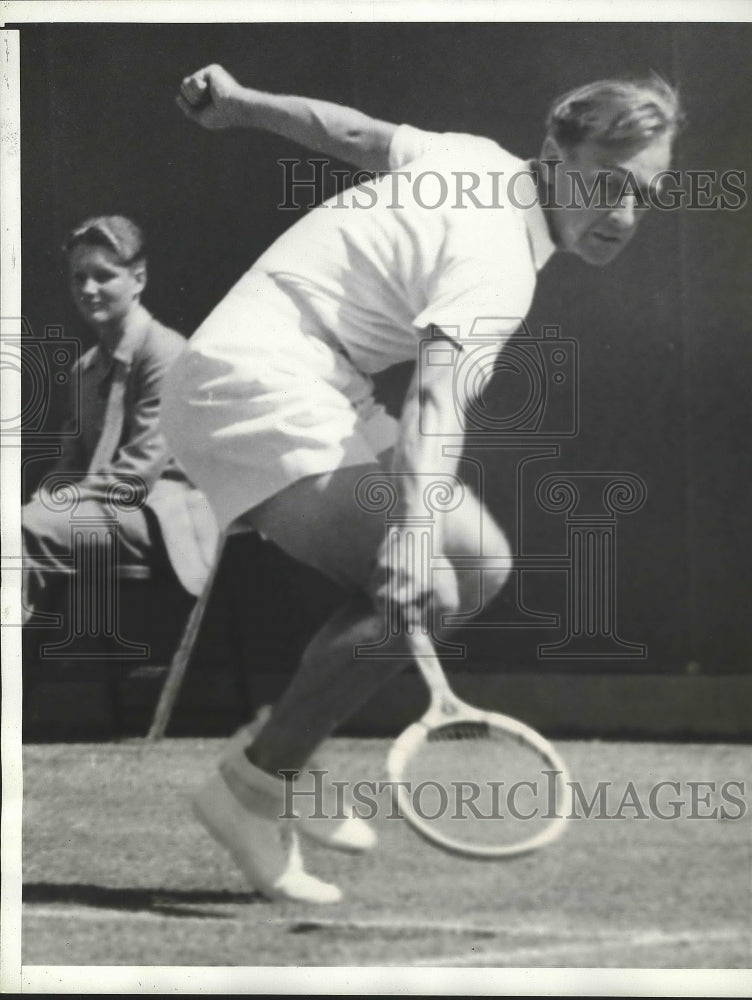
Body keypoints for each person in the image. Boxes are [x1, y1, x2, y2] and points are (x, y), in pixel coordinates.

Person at [164, 66, 684, 903]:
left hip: (318, 372)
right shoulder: (498, 267)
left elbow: (354, 134)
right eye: (607, 183)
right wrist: (408, 536)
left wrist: (241, 106)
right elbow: (436, 402)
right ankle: (250, 792)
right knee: (425, 584)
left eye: (644, 195)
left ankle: (282, 754)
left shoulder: (473, 157)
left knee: (475, 563)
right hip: (249, 384)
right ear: (554, 152)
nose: (623, 215)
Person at [23, 216, 217, 630]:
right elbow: (68, 466)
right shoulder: (86, 369)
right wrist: (47, 495)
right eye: (79, 278)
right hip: (101, 512)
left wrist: (52, 504)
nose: (88, 289)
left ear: (138, 279)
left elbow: (136, 478)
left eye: (103, 276)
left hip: (163, 518)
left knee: (22, 530)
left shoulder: (167, 354)